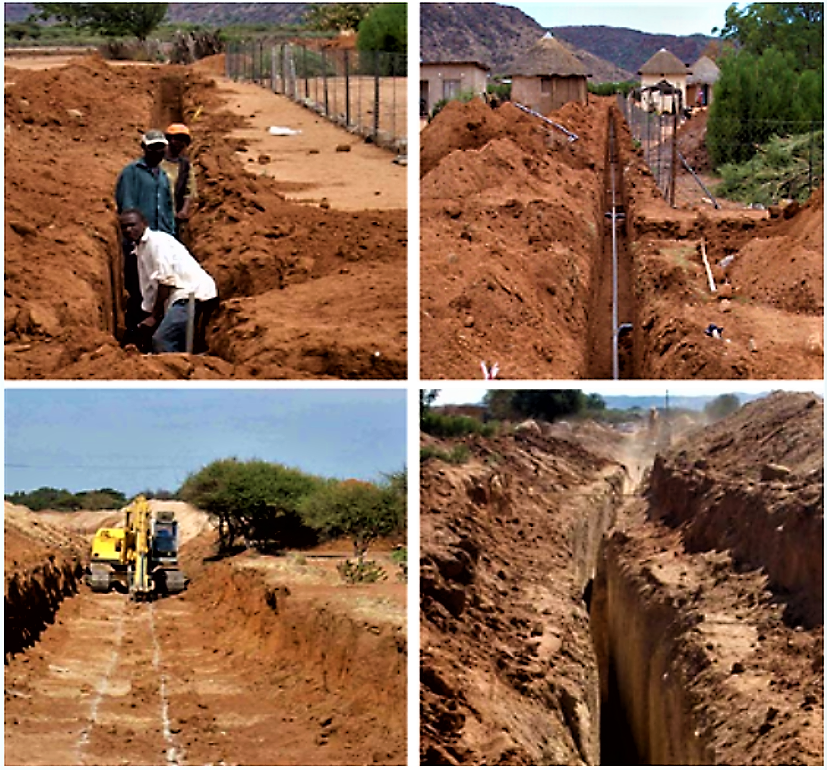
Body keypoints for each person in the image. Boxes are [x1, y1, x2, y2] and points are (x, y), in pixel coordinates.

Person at [119, 209, 217, 354]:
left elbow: (166, 280)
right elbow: (152, 290)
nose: (128, 230)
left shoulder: (157, 242)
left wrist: (153, 317)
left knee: (162, 340)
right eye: (124, 227)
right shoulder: (140, 249)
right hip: (179, 298)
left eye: (132, 225)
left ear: (145, 223)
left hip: (190, 294)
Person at [115, 130, 176, 338]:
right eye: (153, 147)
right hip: (139, 244)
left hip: (161, 243)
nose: (158, 151)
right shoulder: (131, 172)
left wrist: (171, 237)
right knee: (139, 290)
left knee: (161, 288)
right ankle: (135, 334)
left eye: (161, 146)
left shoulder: (164, 176)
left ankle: (157, 333)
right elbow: (128, 208)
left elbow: (168, 208)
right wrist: (134, 239)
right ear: (144, 148)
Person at [161, 123, 198, 242]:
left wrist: (184, 211)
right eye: (176, 138)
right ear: (168, 140)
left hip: (173, 216)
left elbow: (189, 190)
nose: (179, 143)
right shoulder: (156, 161)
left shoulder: (185, 166)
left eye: (183, 140)